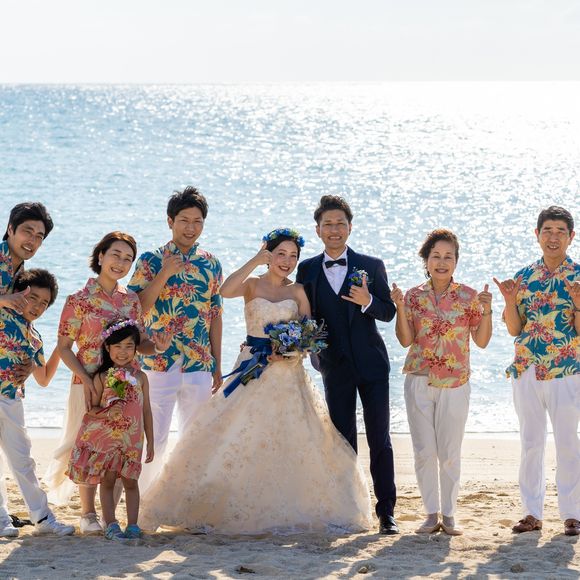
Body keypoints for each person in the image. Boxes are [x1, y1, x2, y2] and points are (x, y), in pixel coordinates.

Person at [139, 229, 371, 534]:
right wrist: (254, 260)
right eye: (280, 254)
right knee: (234, 434)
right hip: (250, 368)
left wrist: (289, 352)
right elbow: (225, 290)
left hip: (287, 374)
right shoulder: (251, 285)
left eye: (293, 256)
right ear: (268, 255)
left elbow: (309, 333)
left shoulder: (298, 291)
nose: (287, 261)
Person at [44, 231, 167, 534]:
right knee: (87, 446)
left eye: (128, 258)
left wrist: (157, 347)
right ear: (100, 256)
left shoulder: (132, 301)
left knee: (120, 447)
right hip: (87, 384)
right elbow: (64, 347)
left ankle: (111, 517)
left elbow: (140, 344)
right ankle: (88, 514)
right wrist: (87, 380)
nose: (121, 263)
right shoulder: (78, 300)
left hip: (126, 387)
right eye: (115, 254)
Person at [296, 195, 398, 535]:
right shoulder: (307, 269)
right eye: (328, 224)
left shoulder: (372, 264)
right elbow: (303, 315)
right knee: (342, 440)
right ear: (318, 230)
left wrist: (368, 301)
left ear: (350, 227)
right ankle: (349, 508)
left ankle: (386, 512)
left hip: (373, 365)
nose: (334, 229)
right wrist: (309, 351)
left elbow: (388, 312)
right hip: (334, 366)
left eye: (340, 223)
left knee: (380, 438)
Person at [392, 229, 492, 535]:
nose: (442, 262)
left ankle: (449, 515)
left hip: (455, 384)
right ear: (426, 260)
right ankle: (430, 513)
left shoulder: (469, 297)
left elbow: (482, 341)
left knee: (449, 453)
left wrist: (488, 309)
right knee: (424, 452)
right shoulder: (413, 296)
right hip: (418, 380)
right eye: (435, 256)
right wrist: (399, 308)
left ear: (456, 261)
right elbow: (405, 340)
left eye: (448, 256)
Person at [128, 187, 223, 492]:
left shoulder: (211, 264)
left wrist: (217, 364)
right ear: (170, 221)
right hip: (158, 362)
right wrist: (164, 274)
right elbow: (136, 308)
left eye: (197, 221)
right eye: (184, 220)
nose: (191, 228)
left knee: (196, 437)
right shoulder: (150, 260)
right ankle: (144, 502)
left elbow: (215, 315)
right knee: (154, 437)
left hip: (199, 362)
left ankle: (186, 501)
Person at [494, 206, 579, 536]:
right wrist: (509, 300)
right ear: (537, 234)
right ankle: (531, 513)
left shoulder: (579, 276)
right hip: (527, 368)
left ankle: (573, 514)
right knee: (531, 442)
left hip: (565, 370)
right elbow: (515, 329)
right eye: (547, 230)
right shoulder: (524, 277)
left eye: (560, 231)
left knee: (568, 442)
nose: (553, 237)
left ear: (571, 237)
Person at [0, 269, 75, 537]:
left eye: (45, 303)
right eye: (33, 298)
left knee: (23, 460)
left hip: (12, 401)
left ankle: (42, 518)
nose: (38, 307)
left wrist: (61, 347)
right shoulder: (2, 315)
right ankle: (1, 520)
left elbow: (43, 379)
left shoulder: (35, 338)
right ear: (19, 294)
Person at [67, 319, 154, 541]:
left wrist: (151, 442)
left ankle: (133, 525)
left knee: (131, 482)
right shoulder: (102, 376)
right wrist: (108, 412)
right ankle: (111, 524)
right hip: (109, 440)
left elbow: (146, 411)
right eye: (118, 346)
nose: (123, 352)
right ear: (107, 348)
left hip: (132, 440)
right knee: (108, 480)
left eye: (129, 346)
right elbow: (92, 409)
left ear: (136, 349)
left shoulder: (141, 377)